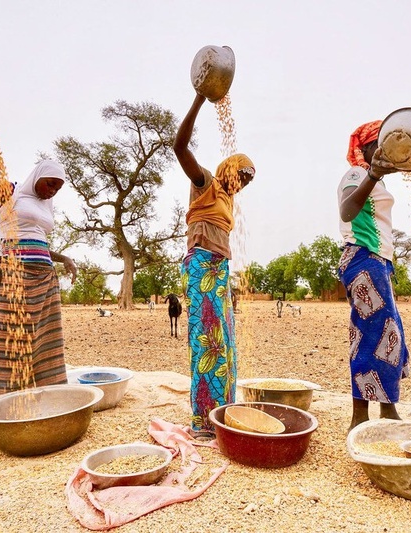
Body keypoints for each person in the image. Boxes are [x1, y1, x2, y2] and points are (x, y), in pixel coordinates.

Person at [0, 135, 77, 398]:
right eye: (50, 184)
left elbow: (38, 241)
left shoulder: (46, 206)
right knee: (13, 338)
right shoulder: (10, 191)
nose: (53, 191)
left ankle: (49, 396)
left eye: (58, 188)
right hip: (16, 274)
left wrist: (65, 259)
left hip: (46, 277)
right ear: (37, 176)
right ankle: (7, 401)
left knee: (47, 339)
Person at [173, 92, 255, 439]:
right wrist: (199, 99)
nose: (244, 182)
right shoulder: (205, 183)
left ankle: (221, 411)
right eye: (242, 174)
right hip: (202, 265)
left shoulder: (227, 200)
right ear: (228, 168)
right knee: (207, 342)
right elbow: (179, 147)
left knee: (225, 344)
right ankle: (203, 422)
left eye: (249, 180)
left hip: (219, 270)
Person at [337, 120, 410, 430]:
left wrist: (377, 176)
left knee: (387, 337)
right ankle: (362, 419)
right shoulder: (357, 174)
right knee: (374, 337)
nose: (387, 150)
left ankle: (383, 411)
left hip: (376, 263)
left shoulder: (377, 181)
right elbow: (347, 211)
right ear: (366, 148)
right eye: (381, 144)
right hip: (363, 258)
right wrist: (373, 173)